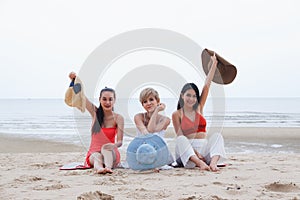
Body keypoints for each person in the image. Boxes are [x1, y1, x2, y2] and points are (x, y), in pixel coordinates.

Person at [172, 54, 226, 172]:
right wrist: (196, 156)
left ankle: (213, 163)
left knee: (217, 136)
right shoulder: (177, 114)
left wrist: (214, 65)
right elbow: (180, 135)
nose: (191, 99)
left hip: (203, 150)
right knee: (181, 139)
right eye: (188, 95)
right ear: (182, 95)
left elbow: (207, 85)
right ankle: (200, 163)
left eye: (194, 96)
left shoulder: (199, 108)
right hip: (187, 153)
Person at [68, 72, 124, 174]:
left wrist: (113, 145)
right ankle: (99, 169)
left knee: (105, 149)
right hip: (94, 153)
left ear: (114, 101)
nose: (107, 102)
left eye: (110, 99)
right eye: (104, 99)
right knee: (97, 156)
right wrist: (74, 80)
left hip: (110, 152)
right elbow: (82, 96)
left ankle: (108, 167)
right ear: (99, 100)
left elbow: (120, 142)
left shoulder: (118, 118)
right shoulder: (95, 113)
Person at [134, 87, 174, 165]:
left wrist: (156, 111)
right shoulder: (138, 117)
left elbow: (152, 130)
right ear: (143, 105)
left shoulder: (165, 120)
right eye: (145, 101)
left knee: (155, 136)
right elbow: (147, 133)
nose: (148, 103)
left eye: (151, 99)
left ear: (158, 101)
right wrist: (156, 110)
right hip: (143, 151)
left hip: (159, 151)